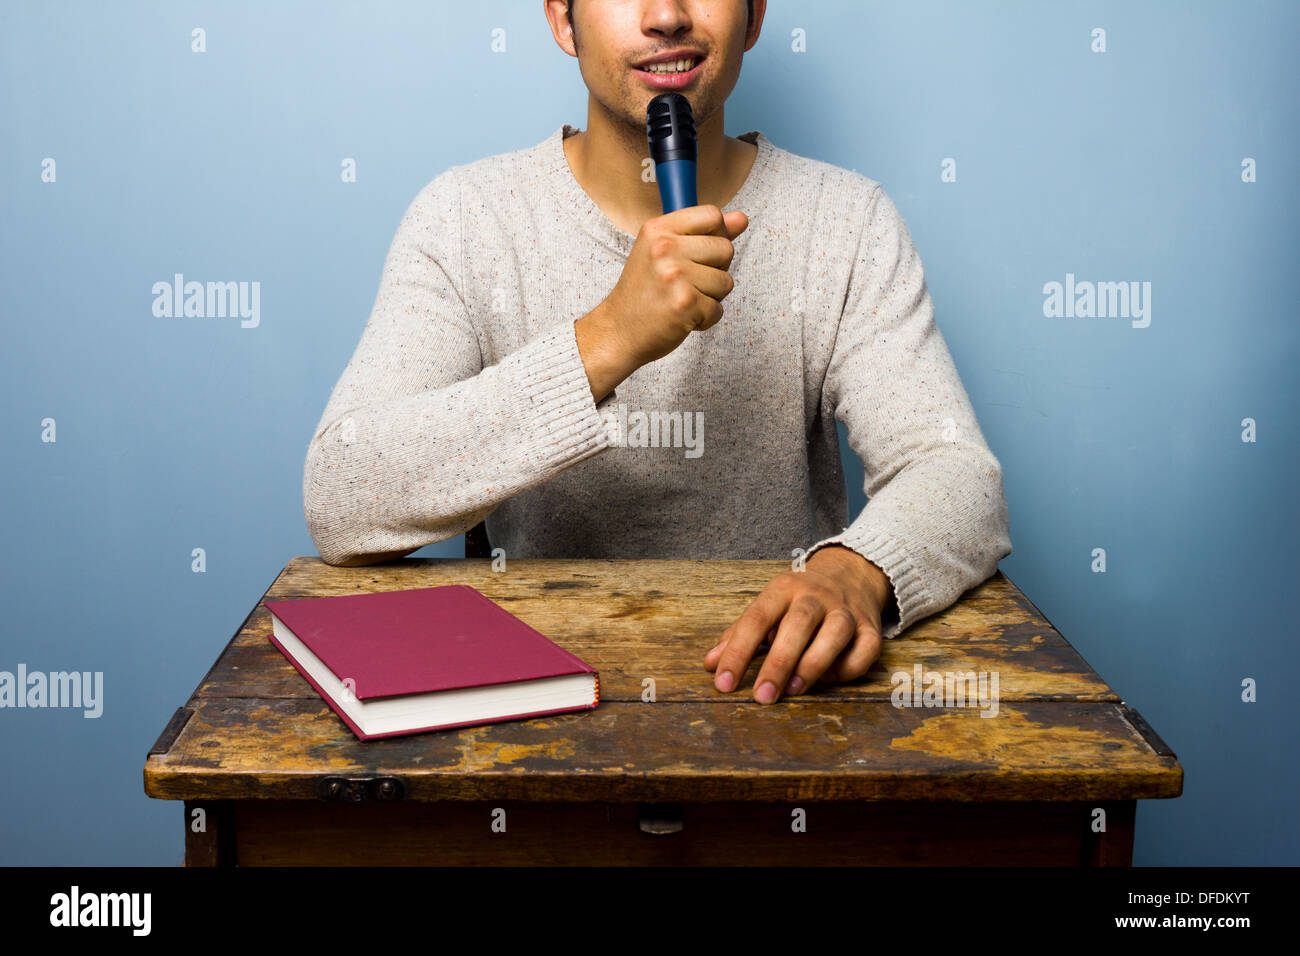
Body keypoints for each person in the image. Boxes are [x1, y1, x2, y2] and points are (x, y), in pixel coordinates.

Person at [302, 0, 1012, 706]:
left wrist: (856, 571)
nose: (667, 15)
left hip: (777, 698)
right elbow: (342, 491)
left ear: (755, 16)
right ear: (563, 21)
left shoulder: (846, 220)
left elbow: (954, 471)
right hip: (533, 709)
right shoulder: (466, 219)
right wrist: (608, 337)